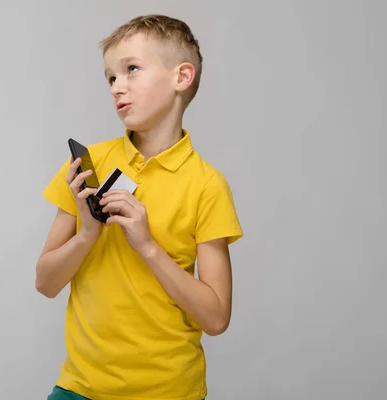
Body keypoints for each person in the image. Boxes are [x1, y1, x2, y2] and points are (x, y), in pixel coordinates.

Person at [36, 14, 243, 400]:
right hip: (79, 389)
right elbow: (45, 283)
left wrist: (148, 246)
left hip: (168, 391)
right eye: (110, 77)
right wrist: (87, 234)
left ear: (182, 77)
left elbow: (215, 318)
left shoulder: (207, 186)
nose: (117, 87)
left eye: (131, 69)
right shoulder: (87, 166)